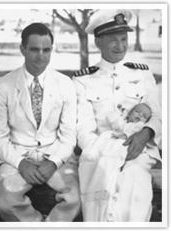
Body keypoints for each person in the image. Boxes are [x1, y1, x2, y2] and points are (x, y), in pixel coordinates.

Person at [73, 10, 161, 222]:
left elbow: (157, 117)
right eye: (112, 40)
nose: (120, 46)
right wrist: (109, 153)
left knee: (133, 182)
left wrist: (145, 134)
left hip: (138, 150)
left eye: (123, 39)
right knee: (103, 187)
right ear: (98, 42)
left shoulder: (141, 73)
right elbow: (84, 130)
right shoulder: (83, 80)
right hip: (100, 153)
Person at [0, 22, 80, 222]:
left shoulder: (65, 84)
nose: (41, 56)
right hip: (17, 155)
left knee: (76, 196)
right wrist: (20, 163)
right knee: (5, 198)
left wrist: (54, 162)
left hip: (55, 154)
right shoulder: (4, 85)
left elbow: (68, 135)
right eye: (34, 49)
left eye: (46, 50)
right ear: (22, 49)